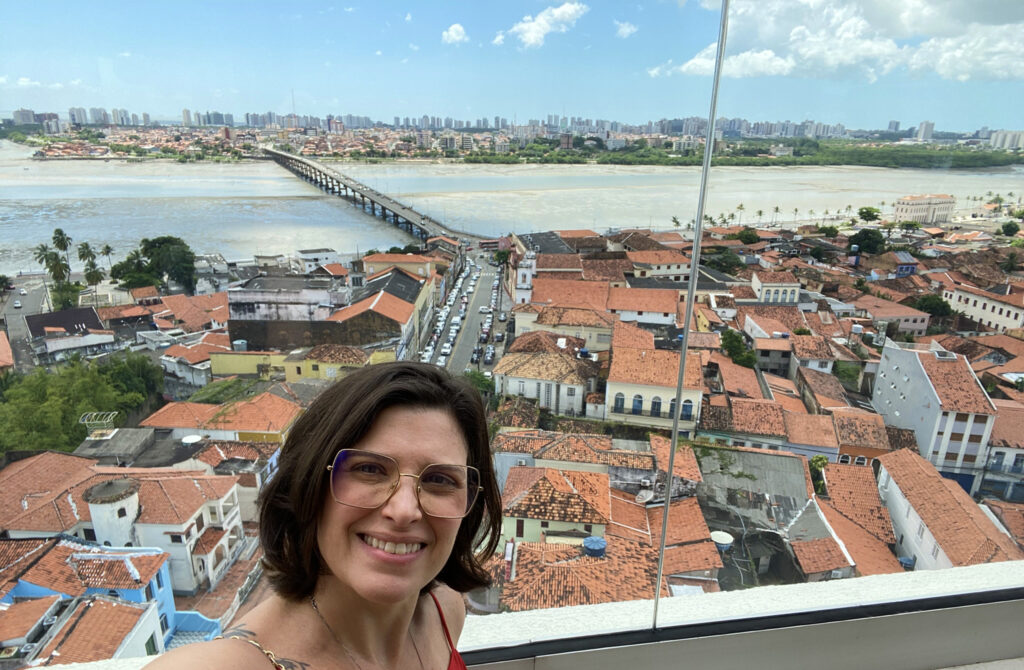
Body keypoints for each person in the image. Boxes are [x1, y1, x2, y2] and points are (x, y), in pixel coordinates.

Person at [148, 362, 501, 669]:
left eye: (439, 480)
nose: (404, 510)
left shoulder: (446, 610)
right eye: (369, 470)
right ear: (310, 484)